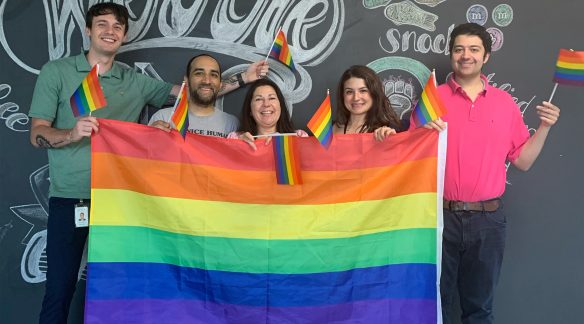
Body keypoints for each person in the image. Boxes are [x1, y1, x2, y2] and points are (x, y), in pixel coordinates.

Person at [27, 3, 264, 323]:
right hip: (72, 198)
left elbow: (192, 92)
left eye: (117, 26)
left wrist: (244, 79)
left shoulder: (134, 80)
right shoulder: (57, 72)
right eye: (102, 24)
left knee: (120, 290)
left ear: (124, 35)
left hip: (123, 203)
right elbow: (37, 134)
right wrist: (72, 133)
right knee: (60, 287)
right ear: (88, 30)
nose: (110, 31)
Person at [420, 23, 560, 324]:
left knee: (479, 309)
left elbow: (523, 161)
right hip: (437, 218)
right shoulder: (431, 100)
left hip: (488, 220)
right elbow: (407, 158)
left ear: (486, 57)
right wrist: (419, 132)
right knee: (433, 307)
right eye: (458, 49)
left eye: (473, 49)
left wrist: (545, 127)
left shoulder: (504, 103)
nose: (465, 55)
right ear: (451, 55)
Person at [149, 54, 269, 138]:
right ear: (186, 80)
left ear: (220, 83)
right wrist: (150, 137)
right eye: (199, 73)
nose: (207, 80)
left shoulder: (232, 123)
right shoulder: (163, 118)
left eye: (214, 75)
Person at [228, 78, 308, 150]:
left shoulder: (299, 137)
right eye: (258, 99)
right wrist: (237, 146)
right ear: (250, 110)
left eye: (272, 98)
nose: (266, 104)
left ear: (280, 106)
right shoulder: (235, 138)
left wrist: (286, 143)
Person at [333, 65, 402, 141]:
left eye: (363, 91)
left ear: (374, 94)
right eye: (349, 92)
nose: (356, 98)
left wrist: (393, 140)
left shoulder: (386, 131)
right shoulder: (325, 132)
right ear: (342, 95)